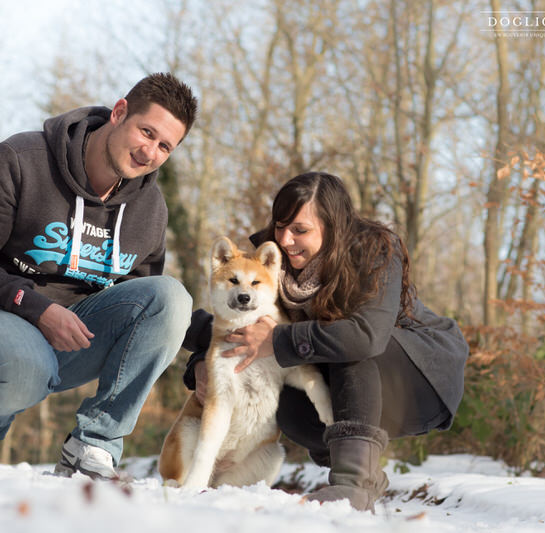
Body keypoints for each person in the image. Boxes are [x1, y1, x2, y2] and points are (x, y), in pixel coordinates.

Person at [0, 73, 198, 479]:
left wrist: (218, 339)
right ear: (120, 111)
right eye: (146, 132)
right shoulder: (22, 158)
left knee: (171, 296)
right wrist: (36, 308)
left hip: (72, 337)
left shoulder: (150, 208)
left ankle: (92, 446)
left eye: (165, 146)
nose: (150, 152)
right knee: (23, 366)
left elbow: (141, 308)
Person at [182, 172, 468, 510]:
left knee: (350, 344)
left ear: (333, 228)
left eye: (300, 230)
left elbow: (367, 336)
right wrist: (201, 360)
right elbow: (240, 325)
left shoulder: (374, 252)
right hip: (354, 387)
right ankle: (366, 473)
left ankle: (353, 485)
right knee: (286, 397)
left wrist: (278, 338)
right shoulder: (272, 264)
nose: (286, 240)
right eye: (280, 226)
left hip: (419, 376)